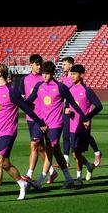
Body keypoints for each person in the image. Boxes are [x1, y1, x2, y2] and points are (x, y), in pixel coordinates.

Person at [0, 63, 36, 204]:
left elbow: (26, 108)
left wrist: (40, 122)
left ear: (0, 74)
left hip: (9, 131)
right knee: (4, 164)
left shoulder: (12, 91)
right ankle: (22, 183)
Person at [25, 61, 86, 190]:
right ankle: (69, 179)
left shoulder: (60, 87)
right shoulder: (39, 86)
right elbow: (28, 101)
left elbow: (73, 103)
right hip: (43, 123)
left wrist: (84, 116)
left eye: (47, 74)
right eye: (43, 74)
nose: (44, 76)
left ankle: (39, 181)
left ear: (53, 73)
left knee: (50, 149)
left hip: (56, 124)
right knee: (54, 150)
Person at [65, 65, 103, 182]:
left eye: (75, 74)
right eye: (71, 74)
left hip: (82, 128)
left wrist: (87, 117)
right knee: (75, 153)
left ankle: (79, 177)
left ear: (81, 75)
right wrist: (66, 109)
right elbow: (67, 105)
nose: (72, 76)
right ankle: (88, 165)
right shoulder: (69, 90)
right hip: (72, 127)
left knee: (77, 151)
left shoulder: (87, 90)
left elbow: (99, 106)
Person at [18, 54, 51, 187]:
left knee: (34, 145)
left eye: (40, 64)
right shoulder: (24, 79)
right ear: (31, 64)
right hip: (30, 117)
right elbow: (22, 97)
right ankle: (53, 171)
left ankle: (29, 174)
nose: (39, 67)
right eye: (37, 64)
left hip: (42, 117)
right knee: (41, 147)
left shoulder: (44, 79)